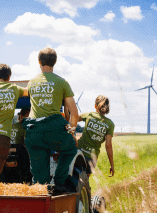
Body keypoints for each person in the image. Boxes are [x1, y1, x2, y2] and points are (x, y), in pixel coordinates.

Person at [23, 47, 79, 193]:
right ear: (55, 62)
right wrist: (71, 132)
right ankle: (58, 182)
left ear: (39, 61)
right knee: (71, 148)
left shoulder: (32, 82)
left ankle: (41, 194)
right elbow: (74, 112)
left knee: (39, 180)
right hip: (54, 128)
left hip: (34, 131)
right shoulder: (62, 82)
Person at [77, 95, 115, 177]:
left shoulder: (89, 115)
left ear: (95, 106)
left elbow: (73, 118)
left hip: (78, 153)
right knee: (84, 182)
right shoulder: (110, 124)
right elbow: (108, 146)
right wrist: (112, 164)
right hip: (91, 159)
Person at [9, 108, 32, 183]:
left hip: (8, 155)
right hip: (20, 158)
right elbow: (28, 144)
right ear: (22, 116)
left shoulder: (11, 126)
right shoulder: (25, 127)